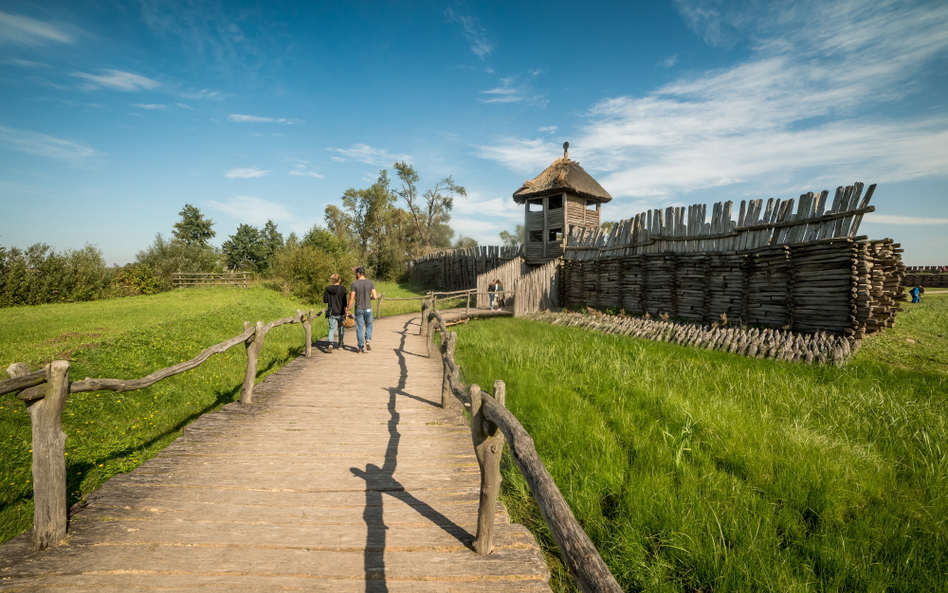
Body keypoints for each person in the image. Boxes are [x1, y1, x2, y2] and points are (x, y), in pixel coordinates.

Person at [348, 266, 378, 353]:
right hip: (368, 308)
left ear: (358, 273)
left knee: (359, 328)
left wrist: (348, 308)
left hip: (359, 308)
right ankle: (368, 340)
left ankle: (360, 348)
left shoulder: (354, 284)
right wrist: (370, 298)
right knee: (369, 324)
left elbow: (352, 297)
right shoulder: (370, 283)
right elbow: (375, 296)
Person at [322, 273, 347, 353]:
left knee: (332, 329)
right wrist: (346, 311)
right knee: (341, 328)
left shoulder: (328, 289)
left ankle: (330, 343)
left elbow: (325, 300)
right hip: (340, 312)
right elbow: (345, 302)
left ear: (332, 280)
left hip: (331, 312)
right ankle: (340, 344)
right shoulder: (343, 289)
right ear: (339, 280)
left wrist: (330, 299)